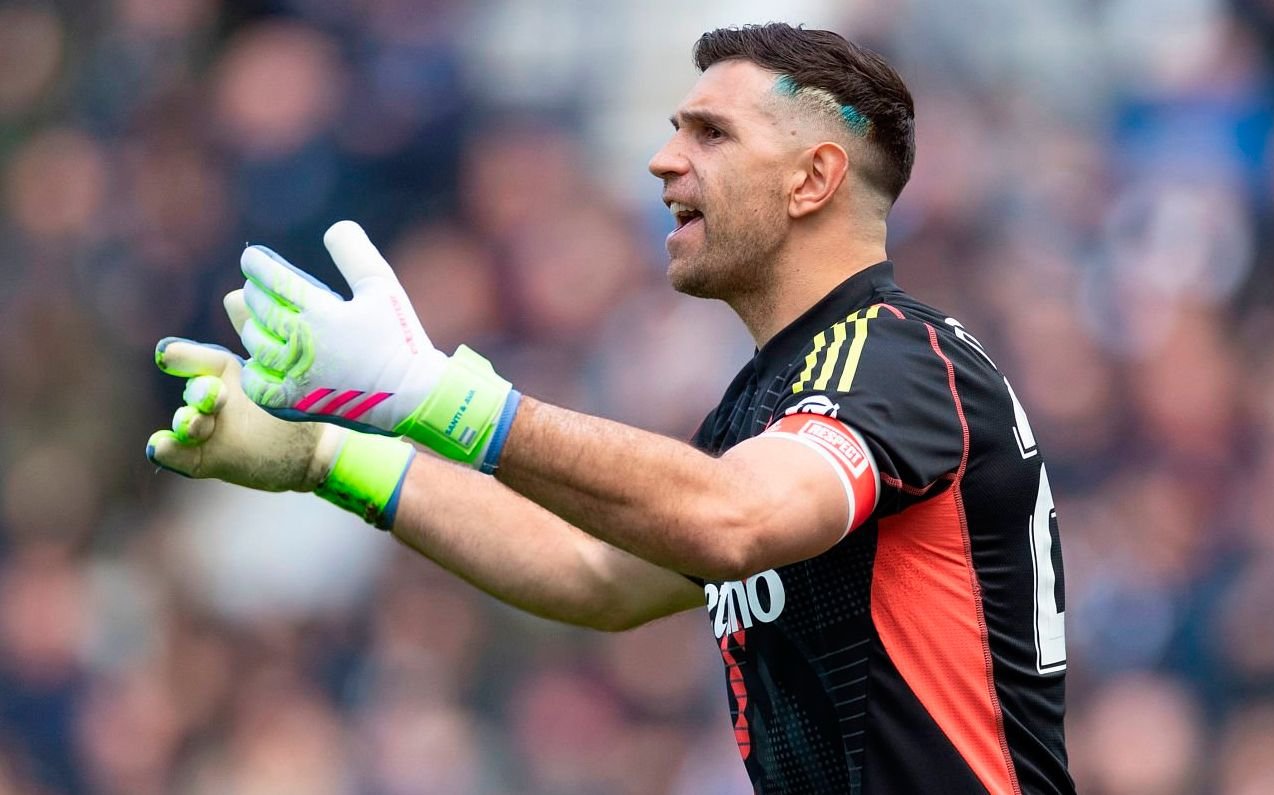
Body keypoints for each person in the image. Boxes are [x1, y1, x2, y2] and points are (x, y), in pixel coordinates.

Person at [148, 23, 1074, 794]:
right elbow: (596, 573)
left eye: (711, 134)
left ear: (812, 178)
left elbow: (731, 518)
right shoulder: (765, 405)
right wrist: (329, 455)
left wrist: (436, 395)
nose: (664, 160)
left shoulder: (897, 357)